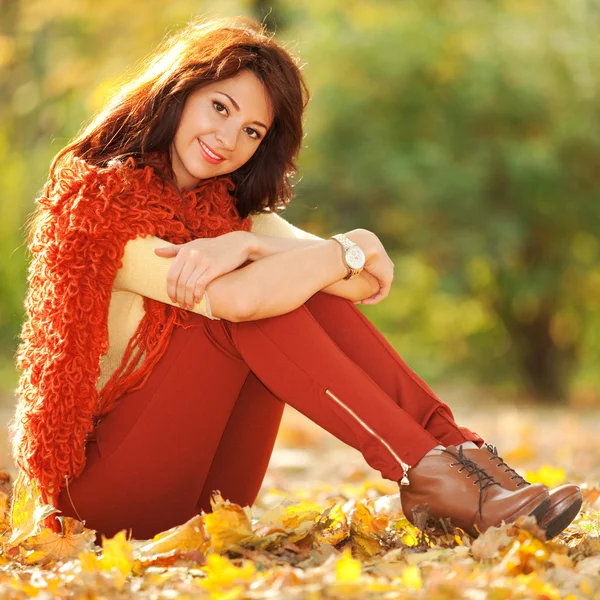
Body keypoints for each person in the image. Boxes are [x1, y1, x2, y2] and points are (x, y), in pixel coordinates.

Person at [9, 17, 581, 542]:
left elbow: (365, 277)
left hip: (211, 492)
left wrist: (251, 242)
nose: (229, 139)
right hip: (98, 500)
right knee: (259, 305)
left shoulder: (231, 215)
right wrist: (319, 254)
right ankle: (426, 473)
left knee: (291, 283)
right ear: (178, 92)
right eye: (221, 108)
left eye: (254, 131)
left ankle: (463, 460)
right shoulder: (100, 205)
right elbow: (244, 299)